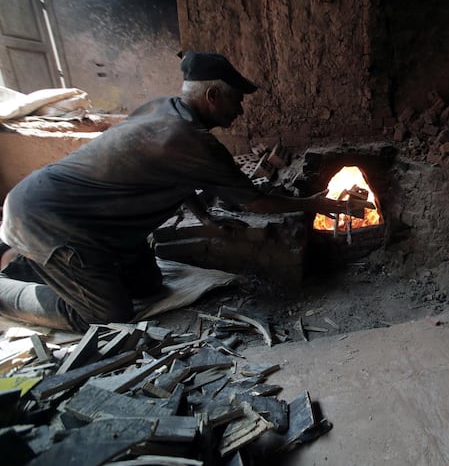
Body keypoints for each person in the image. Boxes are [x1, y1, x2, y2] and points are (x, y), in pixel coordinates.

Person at [0, 51, 353, 332]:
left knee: (150, 286)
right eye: (237, 100)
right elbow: (255, 200)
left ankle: (44, 264)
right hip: (51, 220)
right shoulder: (191, 140)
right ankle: (12, 289)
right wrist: (313, 204)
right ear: (213, 96)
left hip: (97, 223)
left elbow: (177, 175)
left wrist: (205, 217)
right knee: (110, 317)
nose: (241, 109)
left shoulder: (163, 109)